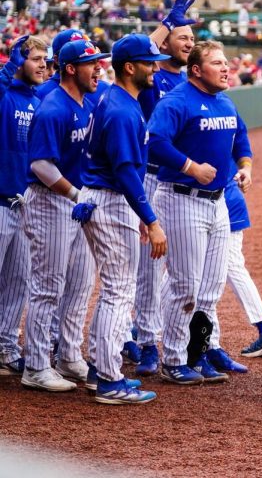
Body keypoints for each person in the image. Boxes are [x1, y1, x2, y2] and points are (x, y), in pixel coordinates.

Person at [148, 40, 251, 386]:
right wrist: (191, 167)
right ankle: (173, 359)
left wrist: (246, 165)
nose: (226, 68)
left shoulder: (224, 100)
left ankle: (198, 353)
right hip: (181, 197)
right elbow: (155, 141)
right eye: (218, 63)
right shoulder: (177, 101)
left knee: (210, 287)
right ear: (196, 70)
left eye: (226, 62)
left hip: (217, 200)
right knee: (185, 284)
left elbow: (241, 137)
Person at [79, 33, 170, 405]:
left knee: (115, 290)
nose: (155, 68)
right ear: (129, 67)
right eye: (149, 62)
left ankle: (101, 368)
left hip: (105, 199)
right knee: (119, 291)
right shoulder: (119, 109)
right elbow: (127, 173)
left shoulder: (120, 101)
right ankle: (108, 380)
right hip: (108, 198)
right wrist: (150, 219)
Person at [21, 38, 100, 392]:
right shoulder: (53, 107)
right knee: (47, 287)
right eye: (91, 63)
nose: (98, 68)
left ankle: (68, 355)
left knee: (81, 285)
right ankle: (36, 366)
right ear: (71, 68)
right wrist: (74, 193)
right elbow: (39, 165)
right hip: (49, 202)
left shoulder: (83, 102)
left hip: (75, 202)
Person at [128, 0, 198, 376]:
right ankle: (146, 341)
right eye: (181, 36)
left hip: (179, 179)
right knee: (148, 270)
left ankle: (195, 342)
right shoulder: (152, 74)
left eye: (191, 38)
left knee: (183, 267)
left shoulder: (190, 79)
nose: (187, 42)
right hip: (151, 174)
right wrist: (168, 23)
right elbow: (140, 50)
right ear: (166, 42)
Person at [205, 158, 262, 374]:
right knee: (219, 268)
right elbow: (243, 148)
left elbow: (242, 149)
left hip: (221, 203)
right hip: (228, 200)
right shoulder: (231, 123)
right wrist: (246, 169)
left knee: (220, 269)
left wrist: (247, 169)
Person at [0, 36, 47, 378]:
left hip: (25, 204)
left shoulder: (40, 98)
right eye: (35, 58)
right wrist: (9, 69)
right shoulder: (5, 95)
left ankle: (5, 345)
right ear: (19, 62)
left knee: (19, 281)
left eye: (47, 58)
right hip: (0, 203)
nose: (43, 64)